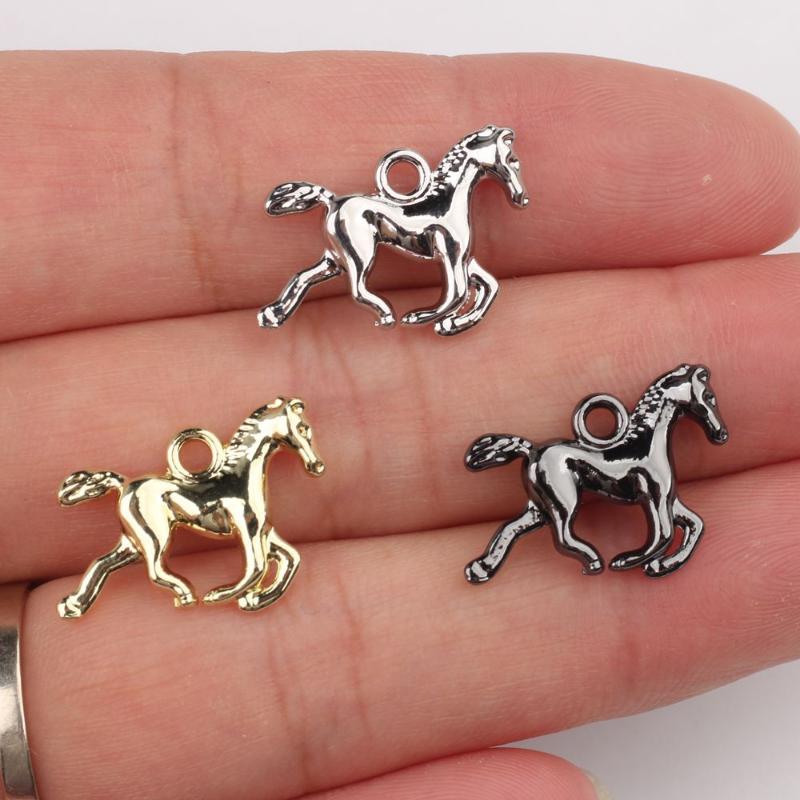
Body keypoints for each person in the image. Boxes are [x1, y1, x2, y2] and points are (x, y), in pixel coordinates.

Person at [0, 50, 798, 800]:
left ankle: (324, 311)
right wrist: (430, 304)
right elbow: (455, 262)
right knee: (382, 282)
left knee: (435, 303)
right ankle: (375, 304)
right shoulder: (409, 213)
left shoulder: (453, 202)